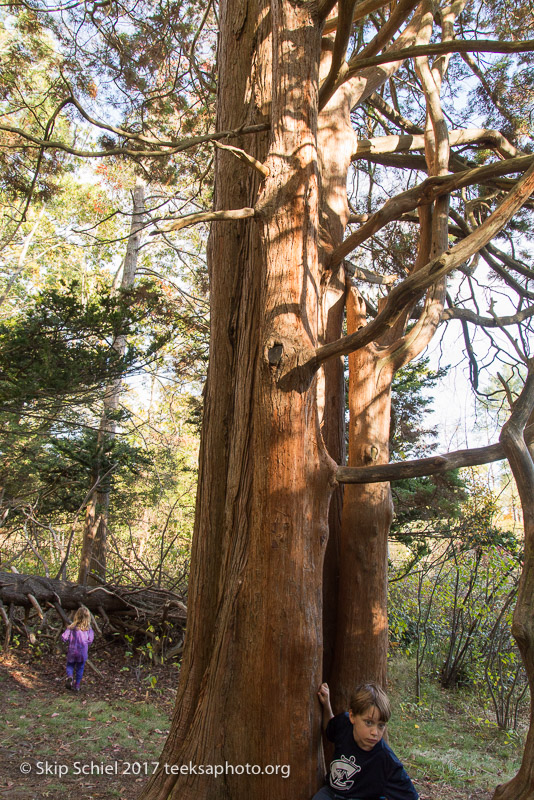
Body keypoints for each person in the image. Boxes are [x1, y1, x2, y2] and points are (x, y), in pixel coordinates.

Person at [313, 681, 419, 800]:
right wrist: (326, 704)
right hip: (331, 792)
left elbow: (411, 796)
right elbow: (329, 728)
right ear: (352, 716)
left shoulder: (386, 759)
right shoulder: (343, 723)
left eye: (381, 725)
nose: (375, 732)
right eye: (369, 723)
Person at [61, 606, 94, 692]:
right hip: (82, 652)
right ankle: (77, 685)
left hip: (72, 651)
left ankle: (70, 677)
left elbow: (64, 637)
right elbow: (90, 640)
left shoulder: (71, 627)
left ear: (77, 616)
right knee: (80, 668)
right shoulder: (88, 629)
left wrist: (68, 639)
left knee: (70, 665)